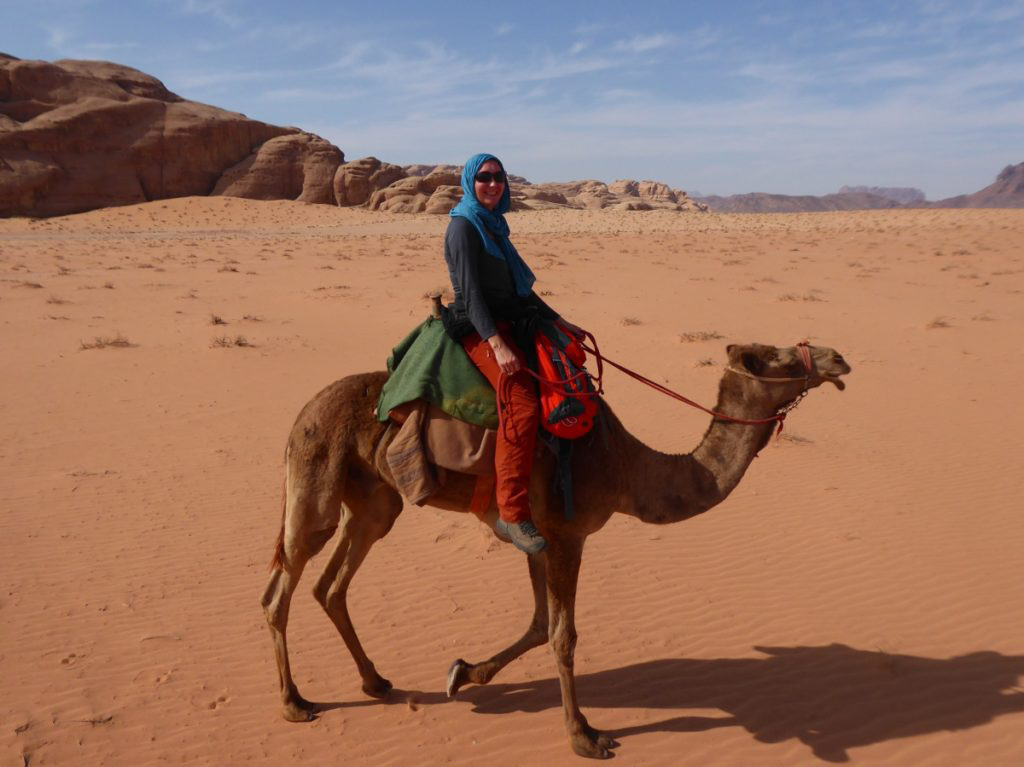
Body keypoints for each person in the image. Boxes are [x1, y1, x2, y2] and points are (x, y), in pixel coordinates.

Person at [442, 153, 583, 555]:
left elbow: (518, 291)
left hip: (510, 319)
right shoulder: (464, 227)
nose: (492, 184)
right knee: (521, 403)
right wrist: (497, 344)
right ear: (471, 182)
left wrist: (559, 322)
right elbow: (471, 295)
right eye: (484, 177)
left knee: (567, 367)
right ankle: (513, 513)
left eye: (498, 177)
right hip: (479, 327)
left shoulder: (494, 227)